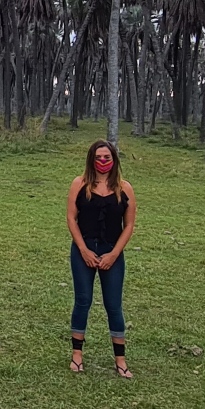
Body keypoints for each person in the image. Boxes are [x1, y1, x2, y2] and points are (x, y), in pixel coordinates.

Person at [67, 139, 136, 376]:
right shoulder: (80, 183)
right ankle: (77, 354)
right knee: (83, 300)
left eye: (107, 158)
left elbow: (128, 226)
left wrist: (114, 254)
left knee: (113, 305)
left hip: (112, 251)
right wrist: (84, 250)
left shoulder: (124, 188)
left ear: (114, 160)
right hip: (83, 248)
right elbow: (71, 219)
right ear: (91, 160)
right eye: (98, 158)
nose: (103, 162)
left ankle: (120, 360)